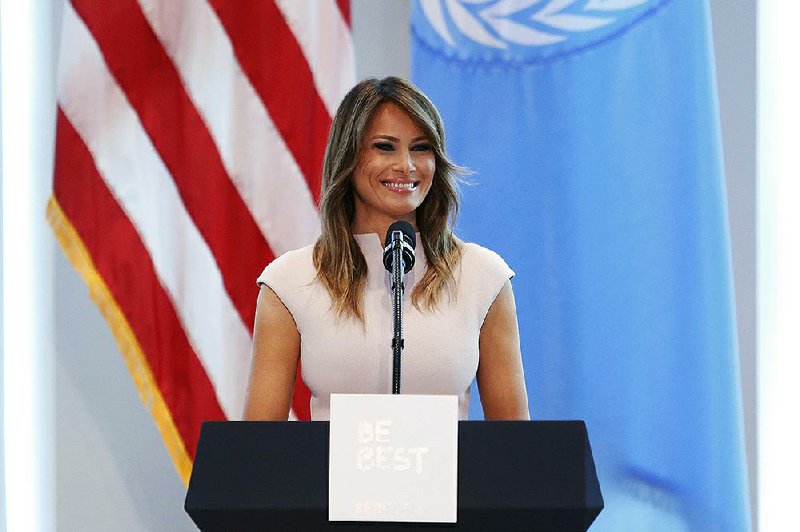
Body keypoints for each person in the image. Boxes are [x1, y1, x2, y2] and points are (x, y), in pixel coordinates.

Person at [243, 77, 529, 421]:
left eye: (421, 147)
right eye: (385, 147)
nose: (406, 165)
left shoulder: (484, 277)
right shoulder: (289, 282)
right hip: (328, 478)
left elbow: (515, 446)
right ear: (348, 158)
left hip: (450, 478)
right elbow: (259, 447)